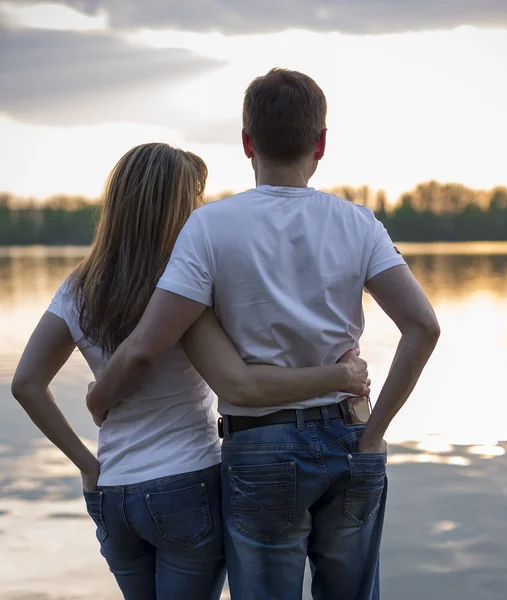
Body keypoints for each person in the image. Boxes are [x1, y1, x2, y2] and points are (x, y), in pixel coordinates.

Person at [86, 69, 441, 600]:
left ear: (247, 142)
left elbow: (145, 346)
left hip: (259, 447)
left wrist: (99, 398)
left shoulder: (209, 228)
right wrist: (374, 434)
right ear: (320, 144)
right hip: (350, 439)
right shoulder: (358, 223)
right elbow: (423, 326)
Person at [10, 142, 371, 600]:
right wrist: (341, 373)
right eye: (195, 196)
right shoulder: (187, 291)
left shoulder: (80, 287)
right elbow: (240, 377)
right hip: (187, 484)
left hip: (113, 493)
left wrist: (87, 464)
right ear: (182, 206)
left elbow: (26, 385)